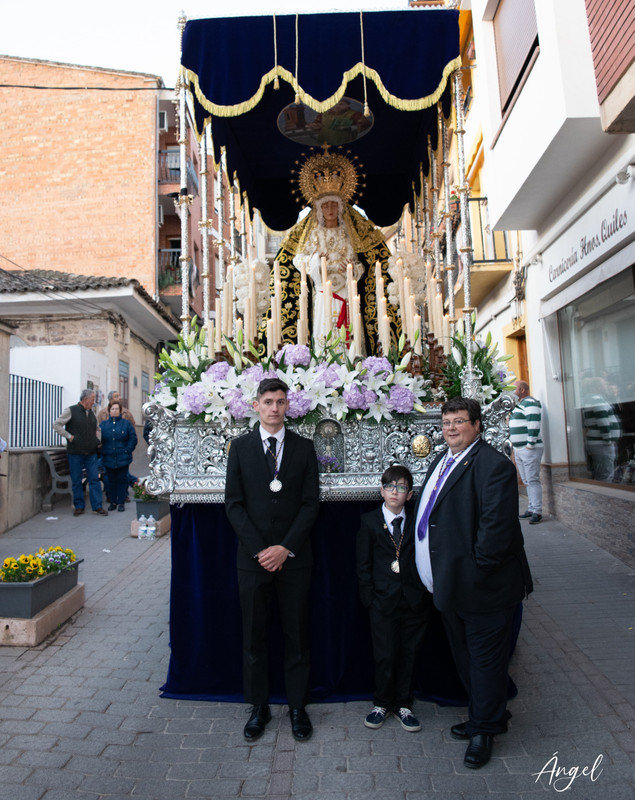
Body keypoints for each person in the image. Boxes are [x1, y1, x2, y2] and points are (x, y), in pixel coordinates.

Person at [413, 396, 533, 769]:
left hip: (482, 588)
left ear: (477, 425)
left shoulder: (493, 466)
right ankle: (486, 717)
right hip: (452, 587)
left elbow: (496, 532)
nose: (450, 428)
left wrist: (473, 574)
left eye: (459, 421)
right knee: (467, 659)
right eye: (446, 422)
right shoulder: (445, 458)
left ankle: (484, 732)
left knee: (484, 663)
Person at [225, 377, 320, 742]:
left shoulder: (303, 447)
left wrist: (285, 548)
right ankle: (259, 707)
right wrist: (261, 550)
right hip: (253, 561)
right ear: (256, 406)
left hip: (294, 559)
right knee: (255, 636)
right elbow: (233, 504)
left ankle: (298, 707)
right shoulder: (242, 447)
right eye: (268, 401)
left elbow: (311, 504)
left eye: (281, 402)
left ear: (288, 406)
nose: (274, 408)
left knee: (297, 635)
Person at [273, 147, 397, 354]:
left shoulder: (350, 234)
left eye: (334, 205)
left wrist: (352, 269)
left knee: (350, 338)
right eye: (325, 205)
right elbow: (297, 260)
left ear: (341, 208)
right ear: (319, 209)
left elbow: (360, 264)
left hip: (347, 293)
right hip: (323, 293)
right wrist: (314, 261)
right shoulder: (313, 234)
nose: (330, 209)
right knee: (324, 335)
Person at [356, 465, 431, 733]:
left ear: (409, 495)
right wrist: (370, 599)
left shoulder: (417, 520)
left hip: (413, 600)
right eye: (389, 486)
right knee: (385, 654)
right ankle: (381, 703)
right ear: (381, 490)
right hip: (382, 602)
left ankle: (403, 704)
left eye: (401, 488)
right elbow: (363, 564)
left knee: (409, 653)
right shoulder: (369, 522)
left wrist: (422, 594)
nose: (394, 492)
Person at [52, 389, 108, 517]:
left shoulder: (92, 413)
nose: (93, 402)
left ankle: (97, 506)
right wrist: (69, 437)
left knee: (94, 479)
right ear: (85, 399)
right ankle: (79, 506)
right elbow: (57, 425)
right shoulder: (71, 410)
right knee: (77, 479)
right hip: (75, 452)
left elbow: (97, 428)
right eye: (92, 400)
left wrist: (97, 440)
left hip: (91, 452)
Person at [509, 381, 544, 524]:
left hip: (528, 449)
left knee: (532, 480)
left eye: (514, 388)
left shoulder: (530, 403)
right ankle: (531, 508)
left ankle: (537, 511)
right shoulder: (520, 405)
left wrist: (530, 444)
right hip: (520, 449)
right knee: (527, 481)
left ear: (522, 390)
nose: (512, 391)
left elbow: (534, 422)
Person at [99, 401, 138, 512]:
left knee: (122, 479)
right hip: (108, 457)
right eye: (112, 409)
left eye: (116, 409)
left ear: (120, 411)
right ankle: (112, 501)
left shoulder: (126, 424)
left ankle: (121, 502)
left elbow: (133, 438)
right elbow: (99, 439)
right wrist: (102, 451)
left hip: (122, 458)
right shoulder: (103, 425)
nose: (114, 411)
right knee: (110, 480)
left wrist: (128, 450)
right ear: (109, 411)